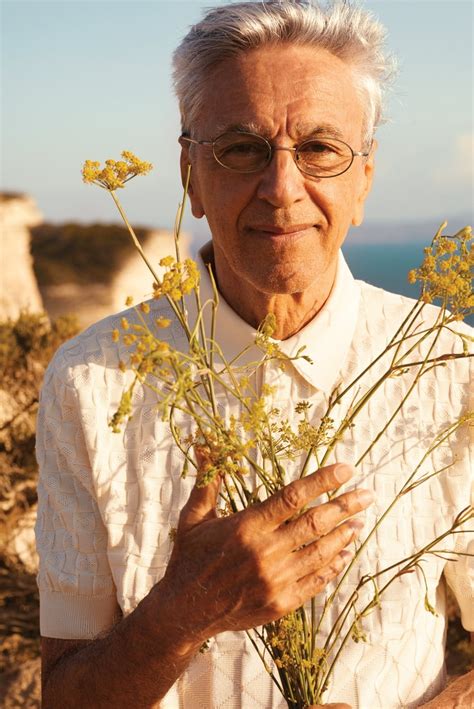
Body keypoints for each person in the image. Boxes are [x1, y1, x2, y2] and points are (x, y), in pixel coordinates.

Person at [35, 2, 473, 707]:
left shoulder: (448, 367)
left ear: (364, 179)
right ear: (189, 175)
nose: (281, 187)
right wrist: (183, 613)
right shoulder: (89, 380)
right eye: (241, 149)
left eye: (320, 149)